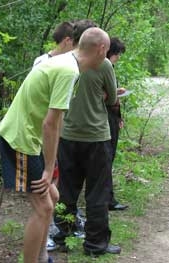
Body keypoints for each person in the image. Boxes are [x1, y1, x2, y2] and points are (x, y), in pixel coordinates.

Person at [0, 27, 110, 263]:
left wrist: (50, 164)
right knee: (44, 207)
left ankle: (42, 256)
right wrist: (49, 169)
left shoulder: (66, 63)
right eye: (107, 51)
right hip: (21, 139)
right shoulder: (68, 71)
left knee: (53, 196)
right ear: (101, 49)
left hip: (29, 139)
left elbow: (55, 122)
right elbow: (50, 124)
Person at [53, 34, 121, 257]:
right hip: (96, 138)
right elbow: (112, 99)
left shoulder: (64, 61)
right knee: (97, 192)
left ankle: (64, 236)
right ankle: (95, 244)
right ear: (101, 48)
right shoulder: (104, 65)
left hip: (68, 136)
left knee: (67, 189)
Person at [106, 37, 128, 211]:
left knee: (108, 158)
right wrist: (115, 94)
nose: (118, 57)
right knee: (106, 159)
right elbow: (104, 95)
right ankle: (108, 199)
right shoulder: (104, 67)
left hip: (112, 117)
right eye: (117, 53)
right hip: (105, 119)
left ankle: (108, 198)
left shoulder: (108, 67)